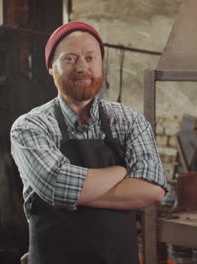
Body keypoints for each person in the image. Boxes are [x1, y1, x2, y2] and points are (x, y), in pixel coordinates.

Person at [10, 21, 167, 264]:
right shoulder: (30, 127)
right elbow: (57, 186)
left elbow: (153, 188)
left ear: (101, 64)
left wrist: (71, 195)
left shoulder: (129, 120)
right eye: (70, 58)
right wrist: (122, 171)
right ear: (51, 67)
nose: (82, 67)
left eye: (91, 57)